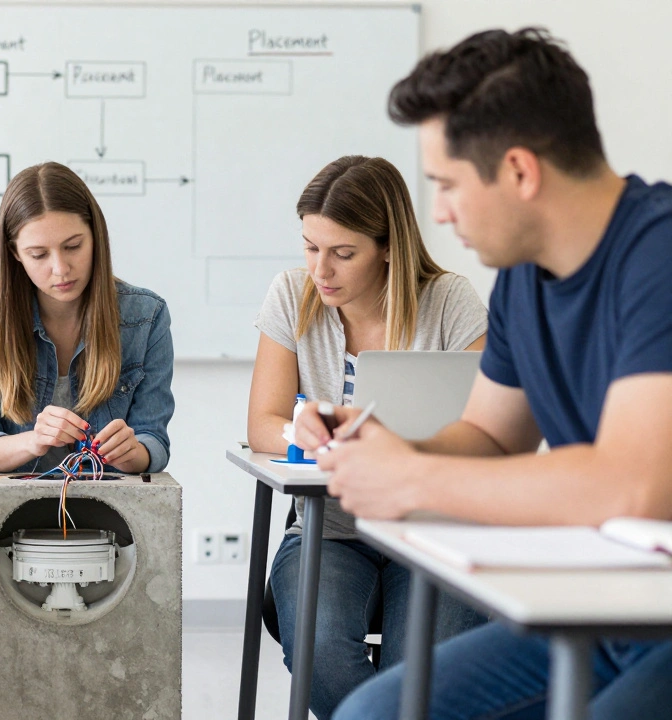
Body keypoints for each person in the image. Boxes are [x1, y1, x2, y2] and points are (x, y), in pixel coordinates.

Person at [292, 29, 672, 720]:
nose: (436, 211)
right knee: (370, 714)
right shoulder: (524, 281)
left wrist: (413, 478)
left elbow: (634, 484)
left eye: (446, 185)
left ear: (520, 171)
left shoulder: (659, 255)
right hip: (610, 611)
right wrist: (389, 447)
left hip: (660, 623)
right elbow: (492, 437)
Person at [247, 155, 488, 719]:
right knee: (322, 654)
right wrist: (299, 431)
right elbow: (263, 423)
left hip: (430, 533)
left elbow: (484, 426)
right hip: (327, 532)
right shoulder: (291, 294)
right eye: (310, 246)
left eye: (342, 253)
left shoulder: (451, 301)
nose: (320, 269)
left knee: (420, 677)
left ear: (387, 246)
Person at [0, 161, 174, 475]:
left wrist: (132, 451)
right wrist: (33, 441)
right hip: (9, 506)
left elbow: (154, 442)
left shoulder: (146, 316)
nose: (60, 268)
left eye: (73, 246)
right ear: (15, 253)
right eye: (39, 254)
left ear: (95, 236)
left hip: (110, 506)